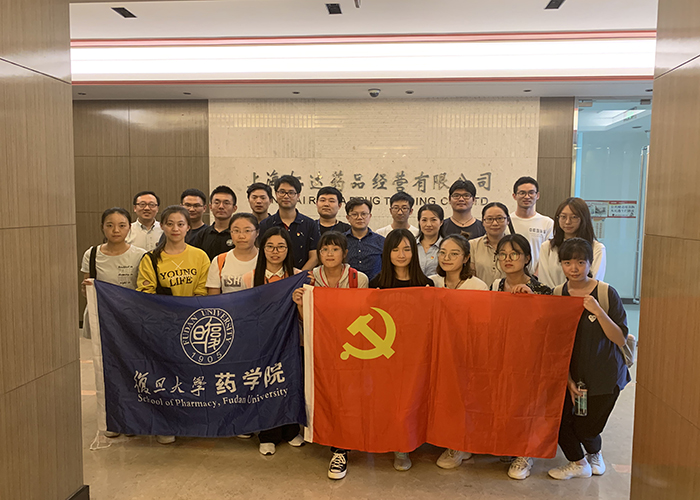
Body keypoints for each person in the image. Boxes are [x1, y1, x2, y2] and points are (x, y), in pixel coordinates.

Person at [548, 238, 629, 480]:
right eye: (567, 262)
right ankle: (578, 462)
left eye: (580, 262)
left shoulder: (605, 293)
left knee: (588, 428)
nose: (574, 268)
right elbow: (555, 342)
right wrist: (567, 379)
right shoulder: (558, 294)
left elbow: (620, 338)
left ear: (590, 263)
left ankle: (594, 452)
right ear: (561, 265)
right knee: (560, 422)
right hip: (572, 373)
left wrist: (598, 311)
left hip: (605, 375)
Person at [292, 231, 369, 480]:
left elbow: (363, 315)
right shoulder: (309, 278)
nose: (329, 254)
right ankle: (319, 433)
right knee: (320, 392)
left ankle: (340, 448)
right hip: (318, 345)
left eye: (335, 249)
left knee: (347, 397)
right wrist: (300, 304)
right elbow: (305, 319)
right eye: (324, 249)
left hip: (350, 348)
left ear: (345, 253)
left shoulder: (359, 278)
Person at [137, 206, 210, 445]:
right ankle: (166, 423)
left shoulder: (200, 256)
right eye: (170, 224)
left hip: (194, 326)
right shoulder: (150, 259)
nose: (175, 229)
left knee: (193, 376)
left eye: (180, 224)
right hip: (163, 328)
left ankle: (193, 421)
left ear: (188, 227)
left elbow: (203, 291)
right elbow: (146, 293)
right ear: (162, 226)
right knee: (166, 376)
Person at [488, 234, 552, 480]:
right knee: (504, 400)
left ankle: (525, 453)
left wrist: (530, 300)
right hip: (501, 353)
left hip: (529, 356)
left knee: (527, 403)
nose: (508, 259)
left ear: (526, 258)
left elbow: (548, 327)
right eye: (503, 254)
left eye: (514, 254)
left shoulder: (542, 290)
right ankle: (508, 446)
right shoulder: (495, 285)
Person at [368, 228, 433, 472]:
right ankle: (394, 443)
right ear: (387, 253)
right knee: (389, 400)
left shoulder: (426, 284)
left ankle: (407, 443)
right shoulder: (377, 283)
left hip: (415, 354)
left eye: (407, 249)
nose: (401, 254)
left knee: (412, 399)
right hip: (386, 354)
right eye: (395, 249)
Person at [80, 207, 148, 439]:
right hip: (102, 321)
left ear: (129, 228)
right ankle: (111, 418)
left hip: (129, 323)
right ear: (102, 227)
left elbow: (143, 289)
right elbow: (86, 290)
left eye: (121, 225)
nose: (115, 230)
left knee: (131, 369)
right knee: (106, 370)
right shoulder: (91, 254)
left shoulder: (140, 255)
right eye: (110, 225)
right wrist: (87, 289)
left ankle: (132, 417)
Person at [241, 227, 303, 454]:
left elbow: (305, 315)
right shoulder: (249, 277)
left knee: (290, 384)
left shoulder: (298, 276)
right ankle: (267, 434)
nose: (275, 251)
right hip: (262, 344)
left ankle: (291, 430)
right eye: (270, 246)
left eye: (281, 247)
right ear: (262, 248)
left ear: (288, 249)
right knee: (266, 386)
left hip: (291, 341)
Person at [538, 197, 606, 288]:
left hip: (585, 295)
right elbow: (544, 280)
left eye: (574, 217)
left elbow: (595, 280)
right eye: (563, 217)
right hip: (553, 295)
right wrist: (558, 293)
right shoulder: (547, 247)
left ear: (583, 219)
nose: (567, 222)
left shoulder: (596, 248)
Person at [258, 175, 320, 271]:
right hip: (272, 277)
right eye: (282, 192)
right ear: (276, 194)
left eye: (291, 193)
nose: (286, 196)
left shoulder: (310, 224)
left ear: (298, 196)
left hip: (302, 277)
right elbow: (261, 254)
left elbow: (314, 256)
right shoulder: (265, 224)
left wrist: (298, 276)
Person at [206, 213, 259, 295]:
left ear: (257, 233)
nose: (241, 236)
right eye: (236, 231)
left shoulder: (266, 258)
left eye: (247, 231)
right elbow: (214, 298)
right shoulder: (220, 261)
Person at [509, 177, 553, 272]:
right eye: (522, 193)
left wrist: (536, 276)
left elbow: (549, 254)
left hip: (538, 276)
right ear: (514, 196)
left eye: (531, 193)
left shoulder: (547, 223)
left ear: (537, 195)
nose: (527, 196)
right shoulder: (507, 221)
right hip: (510, 275)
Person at [469, 202, 512, 286]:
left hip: (508, 292)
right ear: (483, 222)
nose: (495, 223)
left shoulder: (516, 246)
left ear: (508, 221)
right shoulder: (472, 245)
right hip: (480, 292)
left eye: (500, 218)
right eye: (489, 219)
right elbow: (471, 276)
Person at [190, 185, 238, 261]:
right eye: (217, 202)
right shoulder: (202, 235)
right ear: (210, 206)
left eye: (226, 203)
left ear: (234, 208)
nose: (221, 206)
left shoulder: (238, 234)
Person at [344, 198, 385, 281]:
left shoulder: (381, 241)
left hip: (375, 286)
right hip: (346, 286)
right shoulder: (341, 240)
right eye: (354, 214)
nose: (359, 217)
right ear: (348, 218)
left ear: (370, 216)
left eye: (364, 214)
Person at [416, 204, 444, 277]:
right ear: (419, 222)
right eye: (424, 220)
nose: (428, 224)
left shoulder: (446, 246)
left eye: (433, 220)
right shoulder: (410, 245)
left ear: (441, 222)